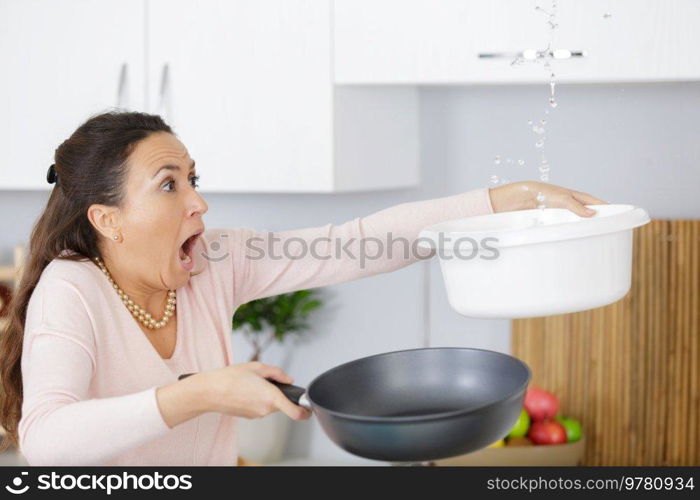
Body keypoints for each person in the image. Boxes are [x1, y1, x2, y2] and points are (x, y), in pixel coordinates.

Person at [0, 111, 604, 465]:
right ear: (106, 219)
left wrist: (505, 201)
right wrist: (203, 393)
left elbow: (356, 242)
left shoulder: (215, 260)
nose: (198, 201)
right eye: (168, 185)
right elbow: (47, 440)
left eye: (192, 178)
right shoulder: (71, 288)